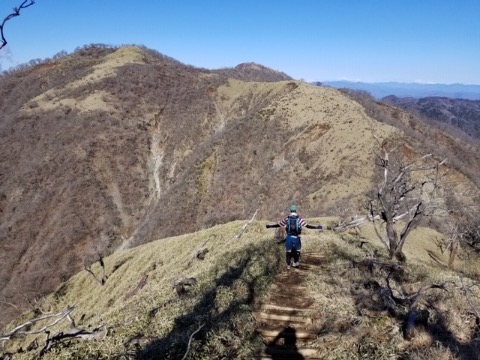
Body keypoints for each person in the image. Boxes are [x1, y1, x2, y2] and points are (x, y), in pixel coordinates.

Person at [266, 204, 323, 270]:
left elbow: (279, 225)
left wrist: (270, 226)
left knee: (288, 252)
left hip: (289, 237)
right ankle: (296, 262)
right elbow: (307, 226)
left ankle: (288, 266)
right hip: (297, 238)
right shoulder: (299, 219)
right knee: (298, 251)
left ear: (290, 210)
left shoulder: (287, 218)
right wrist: (316, 227)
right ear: (296, 210)